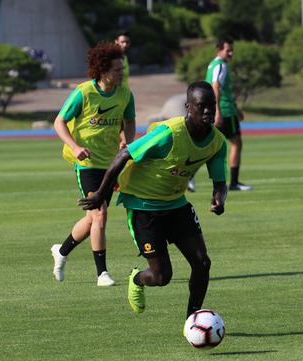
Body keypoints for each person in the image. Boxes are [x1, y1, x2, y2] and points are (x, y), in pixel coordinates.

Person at [78, 81, 228, 318]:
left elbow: (220, 182)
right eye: (202, 106)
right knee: (161, 277)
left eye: (212, 105)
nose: (209, 111)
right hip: (144, 208)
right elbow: (124, 154)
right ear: (189, 107)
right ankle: (137, 278)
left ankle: (194, 316)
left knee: (202, 263)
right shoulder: (168, 134)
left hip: (177, 205)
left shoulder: (217, 142)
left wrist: (219, 198)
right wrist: (100, 194)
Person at [51, 41, 136, 286]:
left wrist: (127, 144)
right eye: (117, 70)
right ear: (102, 70)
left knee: (91, 220)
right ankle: (102, 274)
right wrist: (76, 148)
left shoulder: (125, 94)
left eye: (123, 69)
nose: (122, 74)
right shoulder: (84, 92)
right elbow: (59, 122)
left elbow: (129, 121)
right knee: (100, 215)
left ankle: (62, 251)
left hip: (111, 165)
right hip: (87, 164)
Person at [204, 37, 251, 191]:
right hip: (225, 112)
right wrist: (218, 112)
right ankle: (234, 182)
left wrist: (236, 109)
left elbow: (221, 91)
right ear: (219, 50)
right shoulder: (221, 66)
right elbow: (216, 87)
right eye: (228, 50)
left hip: (224, 109)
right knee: (236, 143)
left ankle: (189, 178)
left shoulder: (212, 65)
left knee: (209, 146)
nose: (231, 53)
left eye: (232, 50)